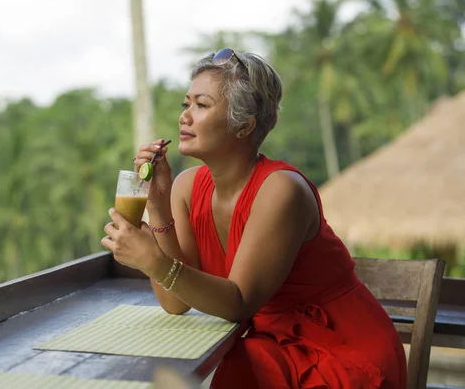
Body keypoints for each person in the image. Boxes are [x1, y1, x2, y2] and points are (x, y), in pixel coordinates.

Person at [101, 48, 407, 388]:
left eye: (201, 105)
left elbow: (238, 303)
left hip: (339, 353)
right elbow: (176, 301)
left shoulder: (281, 191)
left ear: (243, 126)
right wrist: (157, 205)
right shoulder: (186, 187)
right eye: (185, 104)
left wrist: (153, 261)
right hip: (271, 345)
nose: (185, 117)